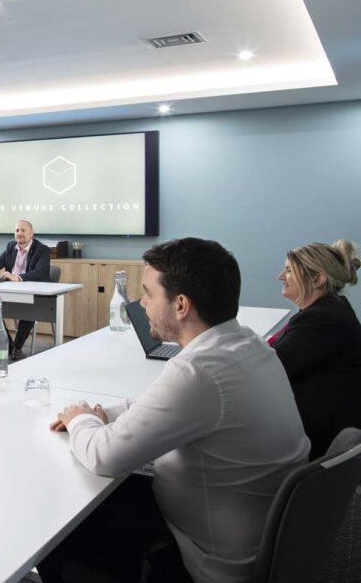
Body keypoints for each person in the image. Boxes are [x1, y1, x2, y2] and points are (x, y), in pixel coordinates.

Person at [39, 238, 309, 583]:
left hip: (204, 558)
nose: (142, 303)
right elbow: (158, 406)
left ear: (181, 305)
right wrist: (103, 412)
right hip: (244, 529)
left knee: (60, 530)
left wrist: (81, 418)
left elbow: (104, 455)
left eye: (149, 293)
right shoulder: (246, 344)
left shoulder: (199, 372)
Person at [270, 239, 361, 459]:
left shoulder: (322, 319)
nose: (280, 276)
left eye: (289, 270)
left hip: (317, 436)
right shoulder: (331, 308)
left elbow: (271, 369)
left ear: (318, 279)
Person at [0, 219, 51, 358]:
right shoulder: (10, 246)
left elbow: (41, 273)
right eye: (17, 230)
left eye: (23, 230)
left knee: (29, 310)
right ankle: (9, 345)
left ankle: (17, 347)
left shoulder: (42, 250)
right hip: (9, 292)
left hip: (32, 294)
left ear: (32, 234)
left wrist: (17, 277)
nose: (19, 233)